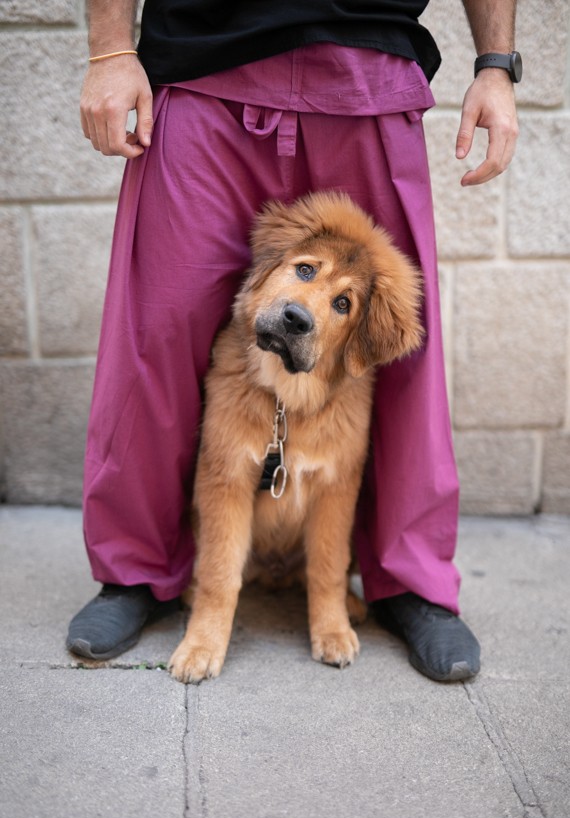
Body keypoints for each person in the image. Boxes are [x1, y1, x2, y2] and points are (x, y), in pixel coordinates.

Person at [67, 0, 520, 682]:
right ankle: (136, 569)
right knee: (156, 330)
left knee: (391, 353)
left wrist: (496, 64)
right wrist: (109, 48)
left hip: (367, 67)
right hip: (202, 62)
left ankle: (408, 579)